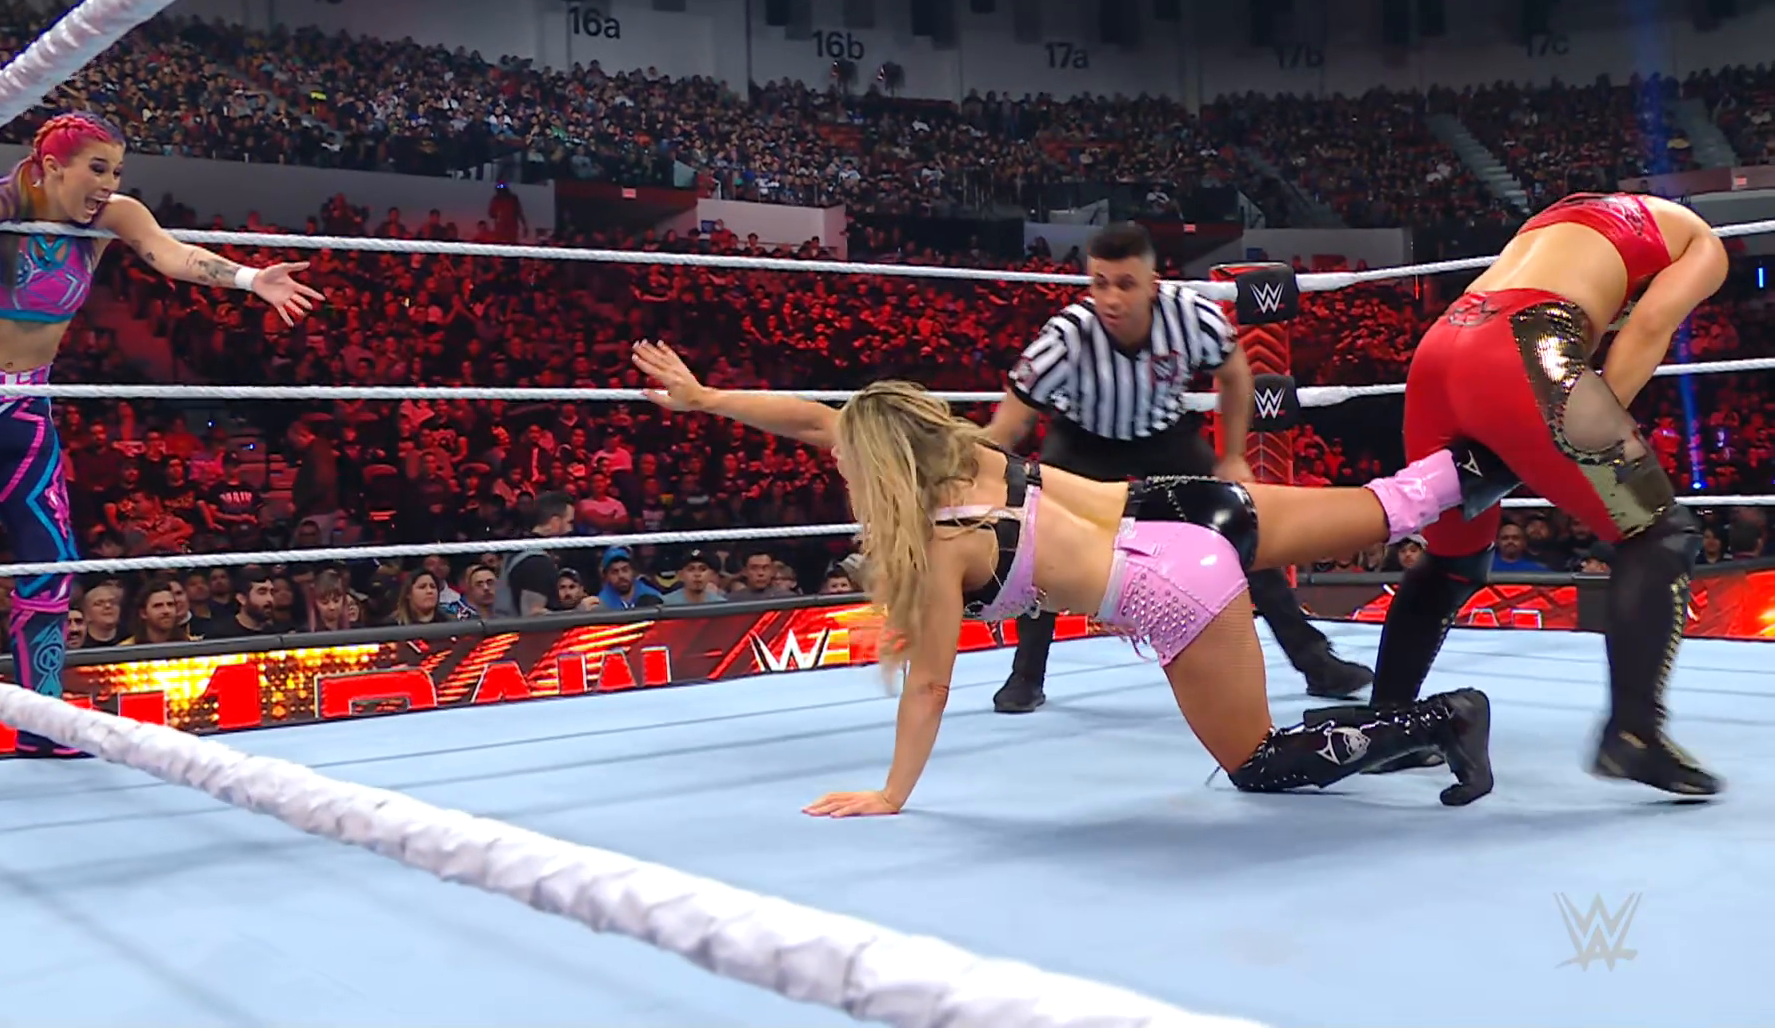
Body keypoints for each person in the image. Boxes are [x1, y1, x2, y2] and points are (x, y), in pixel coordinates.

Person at [632, 340, 1512, 814]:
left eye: (850, 462)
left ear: (881, 467)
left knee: (1257, 764)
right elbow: (821, 421)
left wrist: (891, 793)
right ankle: (1511, 448)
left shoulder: (940, 543)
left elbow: (930, 684)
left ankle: (1441, 716)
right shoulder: (961, 454)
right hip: (1177, 506)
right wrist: (708, 401)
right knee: (1389, 504)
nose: (840, 466)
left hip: (1173, 575)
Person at [0, 111, 322, 757]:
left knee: (52, 564)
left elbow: (171, 254)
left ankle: (42, 728)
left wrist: (249, 279)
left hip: (23, 409)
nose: (109, 185)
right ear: (52, 166)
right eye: (97, 169)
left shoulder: (111, 217)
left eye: (117, 172)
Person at [1356, 191, 1726, 796]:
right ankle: (1634, 733)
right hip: (1527, 342)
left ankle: (1387, 728)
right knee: (1659, 531)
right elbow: (1650, 326)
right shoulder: (1702, 242)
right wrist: (1579, 442)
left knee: (1453, 558)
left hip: (1443, 345)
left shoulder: (1559, 221)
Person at [986, 224, 1370, 715]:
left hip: (1165, 436)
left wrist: (1233, 456)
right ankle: (1026, 675)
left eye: (1125, 284)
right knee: (1039, 540)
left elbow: (1235, 375)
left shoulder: (1190, 316)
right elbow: (1010, 423)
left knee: (1240, 529)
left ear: (1152, 284)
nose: (1111, 298)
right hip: (1083, 441)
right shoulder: (1066, 336)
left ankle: (1316, 663)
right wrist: (976, 477)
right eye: (1100, 283)